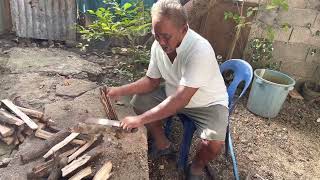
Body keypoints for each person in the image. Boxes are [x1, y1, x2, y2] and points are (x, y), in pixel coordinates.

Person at [105, 0, 229, 179]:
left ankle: (196, 166)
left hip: (207, 102)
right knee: (140, 102)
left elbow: (181, 100)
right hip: (175, 92)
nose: (161, 42)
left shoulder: (199, 50)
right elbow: (151, 81)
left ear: (184, 29)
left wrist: (139, 120)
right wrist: (119, 90)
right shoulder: (158, 46)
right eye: (156, 36)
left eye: (166, 36)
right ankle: (163, 145)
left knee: (213, 144)